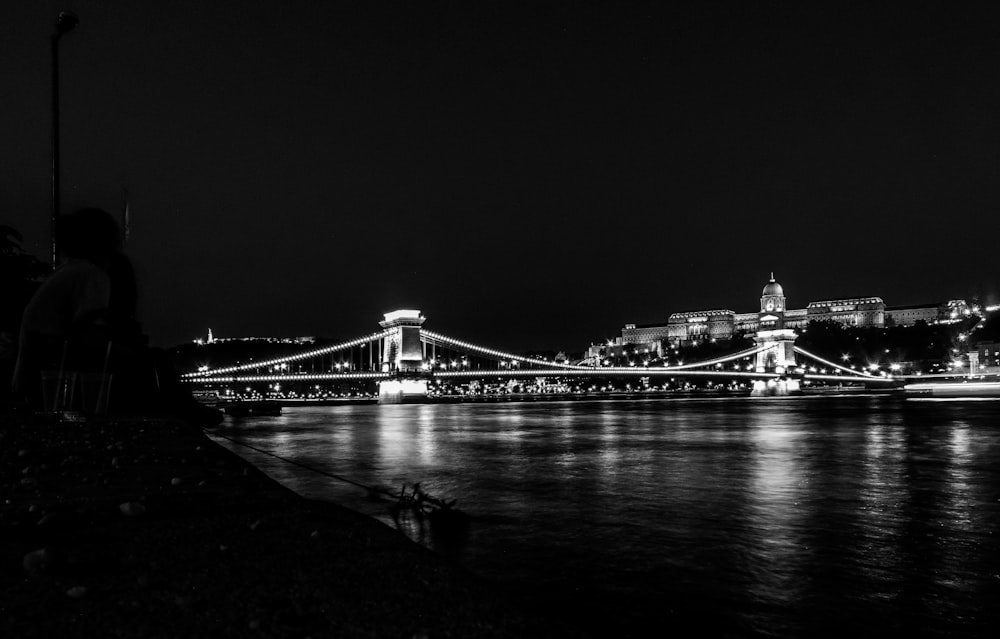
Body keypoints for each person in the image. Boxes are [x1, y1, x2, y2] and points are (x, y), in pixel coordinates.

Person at [12, 208, 222, 425]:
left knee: (149, 359)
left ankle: (180, 407)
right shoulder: (92, 276)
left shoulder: (70, 272)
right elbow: (90, 341)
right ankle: (183, 408)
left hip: (35, 381)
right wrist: (135, 352)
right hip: (53, 385)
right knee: (153, 360)